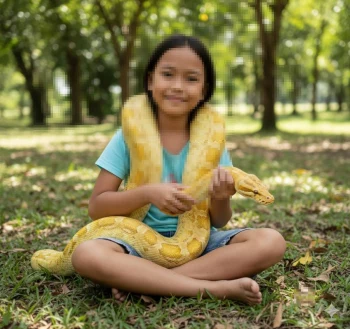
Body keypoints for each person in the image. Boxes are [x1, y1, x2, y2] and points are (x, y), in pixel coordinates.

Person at [71, 34, 286, 305]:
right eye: (168, 74)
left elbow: (219, 221)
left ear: (204, 89)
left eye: (191, 79)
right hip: (134, 244)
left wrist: (221, 197)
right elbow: (97, 207)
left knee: (272, 241)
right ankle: (213, 288)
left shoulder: (213, 143)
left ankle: (147, 283)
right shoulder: (128, 136)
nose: (177, 86)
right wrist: (147, 193)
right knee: (87, 254)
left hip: (200, 245)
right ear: (150, 81)